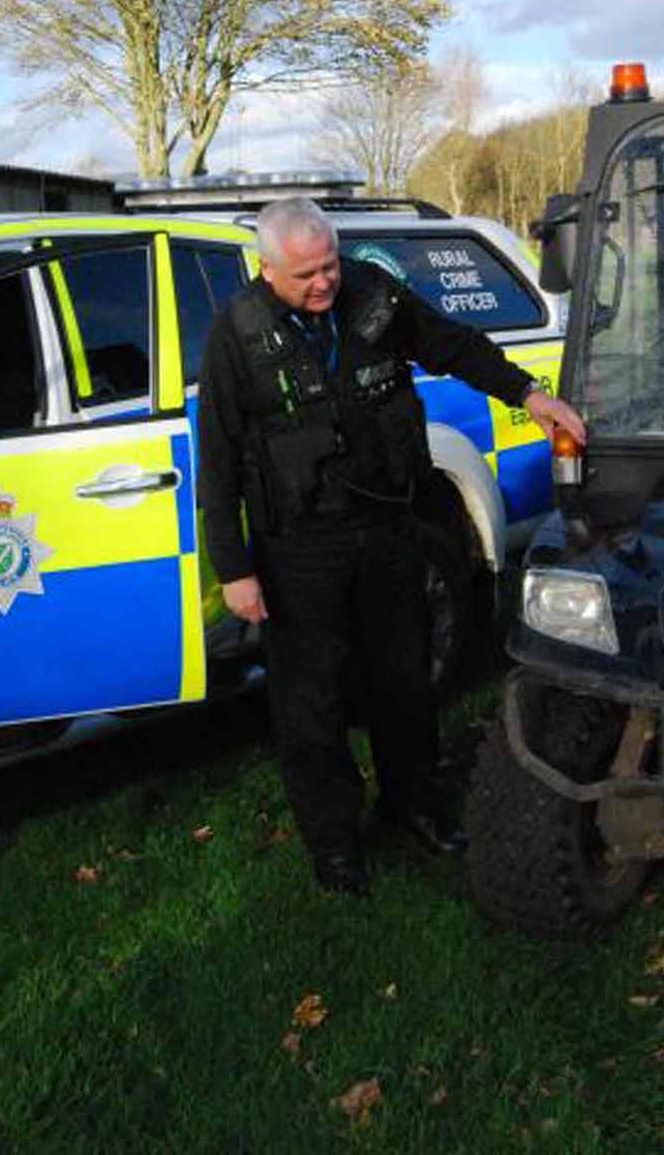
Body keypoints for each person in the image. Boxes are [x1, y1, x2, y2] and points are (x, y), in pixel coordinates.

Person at [196, 197, 588, 895]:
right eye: (306, 275)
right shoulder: (237, 335)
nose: (324, 284)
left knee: (404, 681)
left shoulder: (372, 294)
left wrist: (528, 395)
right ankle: (336, 843)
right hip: (300, 547)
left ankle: (414, 806)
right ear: (267, 269)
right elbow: (219, 459)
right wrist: (236, 569)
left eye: (329, 266)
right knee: (309, 706)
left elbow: (452, 342)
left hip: (387, 528)